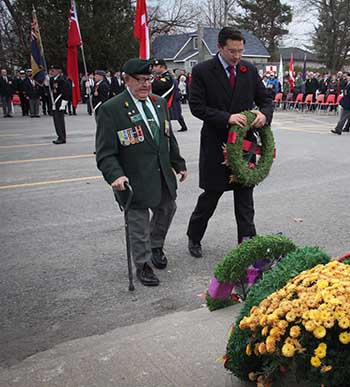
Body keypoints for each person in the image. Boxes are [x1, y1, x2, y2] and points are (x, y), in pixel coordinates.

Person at [95, 58, 187, 287]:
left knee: (168, 208)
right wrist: (114, 175)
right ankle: (143, 264)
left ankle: (155, 246)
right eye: (140, 80)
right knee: (138, 223)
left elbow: (167, 137)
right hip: (132, 177)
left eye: (149, 79)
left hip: (161, 174)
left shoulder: (158, 103)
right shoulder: (112, 109)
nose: (146, 84)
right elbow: (105, 153)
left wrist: (179, 163)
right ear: (126, 80)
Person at [186, 26, 273, 258]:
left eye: (240, 51)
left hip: (244, 146)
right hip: (216, 143)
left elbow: (265, 99)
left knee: (245, 199)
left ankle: (247, 244)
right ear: (220, 48)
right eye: (232, 51)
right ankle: (194, 236)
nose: (236, 56)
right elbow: (197, 106)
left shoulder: (248, 70)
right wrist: (227, 118)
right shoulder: (204, 71)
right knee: (211, 196)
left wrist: (264, 115)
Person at [152, 59, 188, 132]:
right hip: (162, 103)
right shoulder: (159, 77)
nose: (154, 68)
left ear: (162, 67)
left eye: (156, 66)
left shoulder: (167, 77)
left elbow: (158, 86)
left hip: (168, 102)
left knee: (167, 121)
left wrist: (151, 80)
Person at [49, 65, 70, 144]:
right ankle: (59, 135)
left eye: (53, 70)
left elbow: (66, 92)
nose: (52, 72)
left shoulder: (62, 80)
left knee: (60, 121)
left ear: (58, 71)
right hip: (55, 102)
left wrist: (63, 104)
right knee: (56, 121)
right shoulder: (52, 79)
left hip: (60, 102)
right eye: (51, 70)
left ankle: (62, 137)